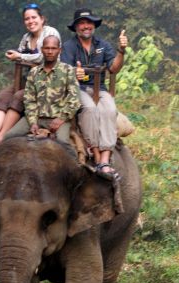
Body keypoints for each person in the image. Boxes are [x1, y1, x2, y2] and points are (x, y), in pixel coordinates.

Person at [0, 3, 61, 151]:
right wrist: (16, 56)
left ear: (42, 19)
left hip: (48, 82)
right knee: (3, 96)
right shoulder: (26, 38)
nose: (31, 21)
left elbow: (45, 57)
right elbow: (21, 58)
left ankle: (0, 139)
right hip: (28, 80)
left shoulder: (51, 33)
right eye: (27, 19)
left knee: (19, 96)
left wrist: (20, 56)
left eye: (34, 17)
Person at [60, 8, 128, 179]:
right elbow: (63, 70)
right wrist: (74, 73)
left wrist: (121, 50)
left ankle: (105, 159)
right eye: (81, 23)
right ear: (76, 27)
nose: (85, 26)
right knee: (90, 109)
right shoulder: (68, 47)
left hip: (100, 88)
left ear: (93, 26)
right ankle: (97, 156)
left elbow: (114, 68)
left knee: (110, 110)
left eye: (89, 22)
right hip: (78, 89)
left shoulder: (103, 45)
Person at [4, 35, 81, 155]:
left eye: (53, 48)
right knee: (9, 136)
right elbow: (29, 100)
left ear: (59, 50)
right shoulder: (34, 73)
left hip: (59, 119)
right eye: (47, 48)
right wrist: (33, 122)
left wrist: (61, 118)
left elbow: (74, 99)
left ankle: (78, 169)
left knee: (63, 143)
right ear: (42, 49)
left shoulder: (67, 70)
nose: (50, 51)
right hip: (37, 117)